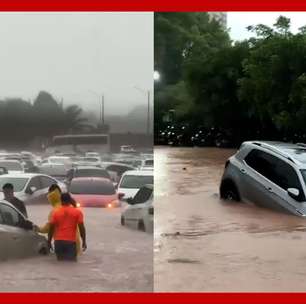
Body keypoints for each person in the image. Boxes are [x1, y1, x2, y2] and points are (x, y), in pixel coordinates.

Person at [37, 184, 82, 255]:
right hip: (75, 243)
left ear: (50, 197)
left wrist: (37, 228)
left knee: (61, 263)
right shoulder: (73, 208)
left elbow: (49, 228)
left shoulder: (55, 211)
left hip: (61, 243)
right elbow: (81, 226)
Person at [48, 192, 87, 261]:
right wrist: (84, 241)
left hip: (58, 242)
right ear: (70, 200)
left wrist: (49, 241)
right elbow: (81, 228)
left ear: (61, 200)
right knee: (71, 265)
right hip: (70, 242)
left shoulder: (55, 213)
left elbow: (51, 228)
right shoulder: (77, 212)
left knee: (60, 264)